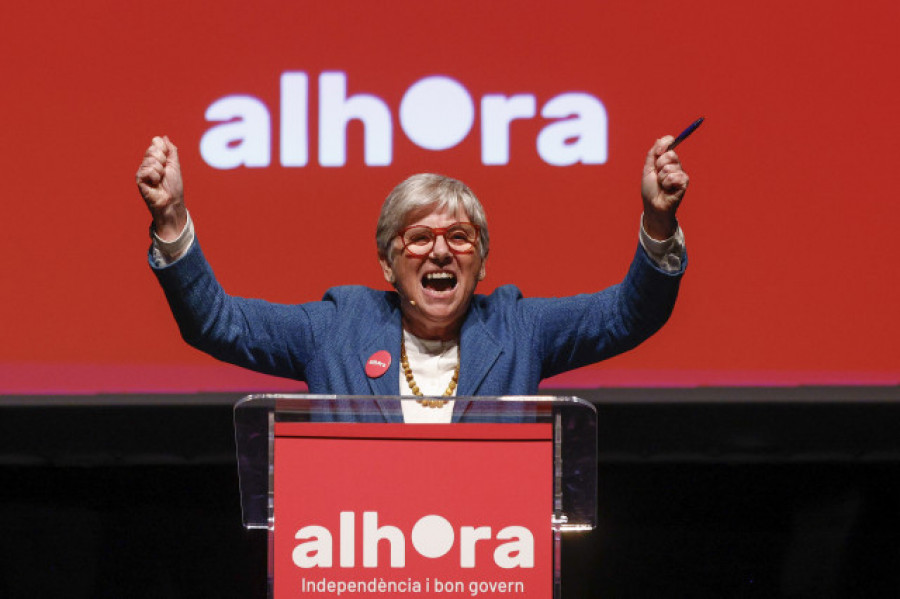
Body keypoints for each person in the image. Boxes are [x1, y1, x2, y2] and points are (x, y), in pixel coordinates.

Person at [136, 135, 688, 422]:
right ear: (387, 265)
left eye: (461, 237)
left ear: (483, 261)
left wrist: (659, 222)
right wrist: (172, 221)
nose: (441, 252)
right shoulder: (337, 328)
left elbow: (628, 314)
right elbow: (216, 322)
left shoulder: (519, 327)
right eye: (419, 238)